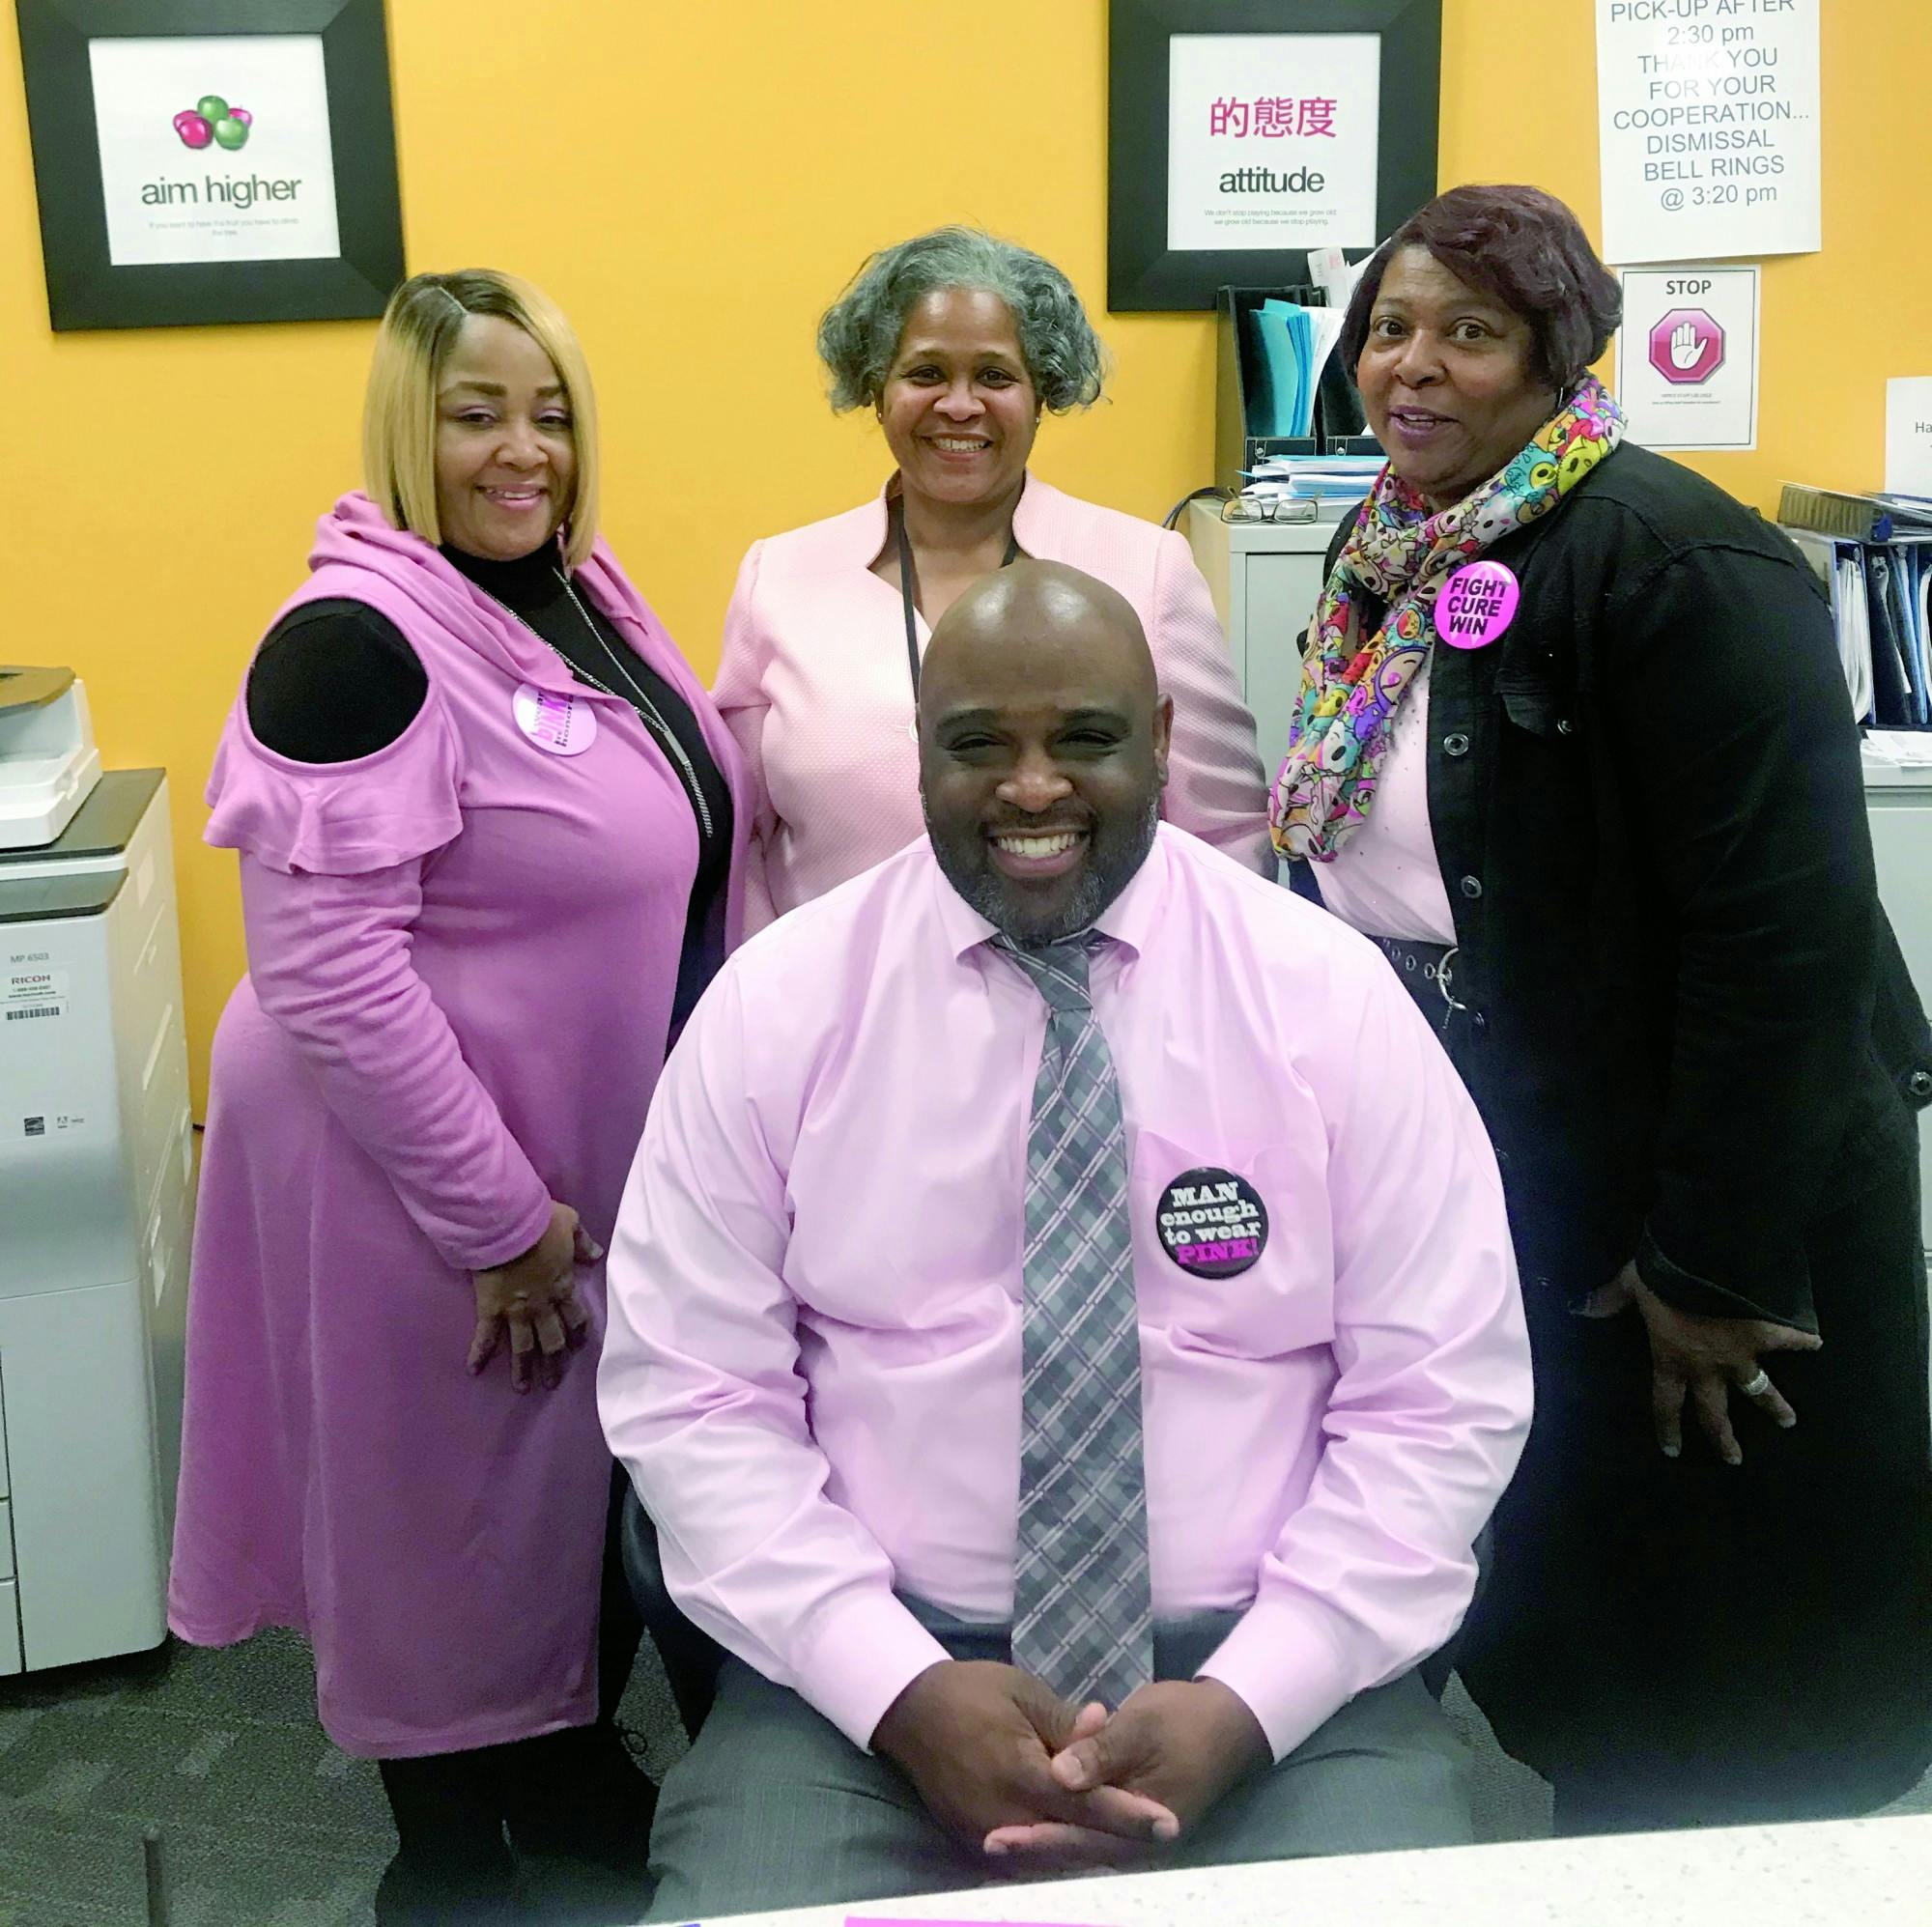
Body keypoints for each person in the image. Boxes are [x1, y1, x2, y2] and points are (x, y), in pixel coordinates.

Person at [600, 560, 1532, 1920]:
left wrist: (1253, 1694)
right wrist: (894, 1683)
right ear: (916, 754)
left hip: (1280, 1679)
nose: (1032, 787)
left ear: (1160, 739)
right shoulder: (778, 1008)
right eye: (978, 743)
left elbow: (1441, 1396)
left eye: (1083, 739)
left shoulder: (1325, 997)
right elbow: (691, 1390)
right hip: (873, 1680)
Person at [1271, 184, 1932, 1831]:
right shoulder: (1393, 557)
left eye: (1470, 333)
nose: (1412, 368)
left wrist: (1714, 1261)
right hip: (1528, 1164)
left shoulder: (1673, 556)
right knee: (1587, 1583)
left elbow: (1783, 938)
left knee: (1746, 1610)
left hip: (1707, 1190)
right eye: (1390, 330)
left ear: (1560, 355)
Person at [169, 269, 747, 1926]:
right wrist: (498, 1220)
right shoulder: (351, 640)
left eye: (552, 412)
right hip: (417, 1170)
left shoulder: (562, 591)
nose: (525, 450)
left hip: (554, 1142)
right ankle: (452, 1863)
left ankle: (547, 1774)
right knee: (441, 1527)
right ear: (404, 427)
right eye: (479, 411)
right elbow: (330, 973)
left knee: (532, 1513)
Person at [713, 224, 1272, 929]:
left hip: (1098, 1012)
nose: (959, 404)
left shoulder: (1145, 570)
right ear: (875, 391)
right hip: (847, 1013)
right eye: (925, 374)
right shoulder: (779, 579)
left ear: (1044, 391)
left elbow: (1227, 840)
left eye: (995, 375)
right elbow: (745, 849)